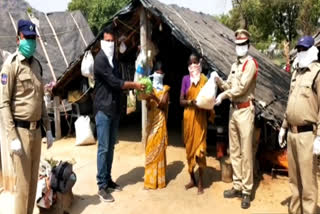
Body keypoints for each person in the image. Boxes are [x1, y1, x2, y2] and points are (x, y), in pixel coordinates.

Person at [0, 19, 54, 214]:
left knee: (32, 185)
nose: (31, 42)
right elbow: (4, 104)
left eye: (33, 38)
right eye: (27, 38)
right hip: (20, 133)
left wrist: (48, 129)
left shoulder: (37, 66)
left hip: (37, 131)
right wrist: (12, 137)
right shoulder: (11, 66)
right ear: (18, 39)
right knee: (22, 188)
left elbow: (41, 100)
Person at [94, 27, 145, 202]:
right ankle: (101, 186)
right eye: (107, 41)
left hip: (114, 109)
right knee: (103, 148)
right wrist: (134, 85)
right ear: (102, 42)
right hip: (103, 110)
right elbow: (115, 82)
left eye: (112, 41)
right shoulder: (100, 60)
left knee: (111, 147)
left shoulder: (114, 60)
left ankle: (108, 179)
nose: (110, 44)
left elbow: (117, 84)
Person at [215, 29, 258, 209]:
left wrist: (224, 95)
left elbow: (240, 89)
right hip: (234, 111)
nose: (239, 48)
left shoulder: (250, 64)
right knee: (234, 150)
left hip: (245, 110)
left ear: (248, 46)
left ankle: (247, 191)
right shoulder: (235, 65)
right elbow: (230, 85)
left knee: (246, 153)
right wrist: (218, 81)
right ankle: (237, 185)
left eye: (243, 45)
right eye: (237, 45)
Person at [278, 36, 320, 214]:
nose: (301, 52)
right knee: (294, 180)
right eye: (299, 49)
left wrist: (319, 136)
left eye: (304, 49)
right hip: (292, 134)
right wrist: (283, 126)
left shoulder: (318, 73)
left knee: (308, 182)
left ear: (312, 50)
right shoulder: (296, 73)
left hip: (307, 135)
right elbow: (290, 102)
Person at [180, 53, 214, 195]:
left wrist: (205, 104)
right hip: (188, 117)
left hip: (200, 119)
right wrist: (190, 102)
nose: (194, 65)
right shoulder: (185, 79)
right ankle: (192, 179)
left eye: (196, 62)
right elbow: (180, 101)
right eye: (191, 63)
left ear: (199, 65)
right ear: (188, 66)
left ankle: (200, 182)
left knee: (200, 151)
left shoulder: (205, 80)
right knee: (189, 150)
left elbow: (210, 97)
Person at [144, 61, 170, 189]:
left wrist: (154, 97)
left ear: (163, 75)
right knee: (149, 147)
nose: (159, 75)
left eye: (161, 73)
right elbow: (148, 107)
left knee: (158, 151)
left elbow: (163, 104)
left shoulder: (165, 89)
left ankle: (159, 181)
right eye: (157, 73)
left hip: (160, 121)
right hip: (151, 122)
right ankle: (149, 180)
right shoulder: (150, 88)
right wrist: (148, 99)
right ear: (153, 74)